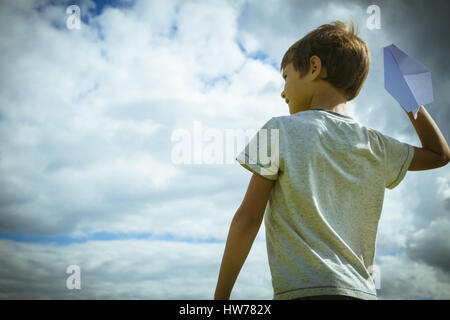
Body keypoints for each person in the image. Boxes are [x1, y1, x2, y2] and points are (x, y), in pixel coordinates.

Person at [214, 20, 450, 300]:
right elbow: (440, 154)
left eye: (286, 77)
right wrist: (409, 99)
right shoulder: (375, 144)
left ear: (314, 68)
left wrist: (221, 299)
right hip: (362, 293)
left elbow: (247, 219)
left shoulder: (280, 129)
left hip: (304, 293)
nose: (282, 91)